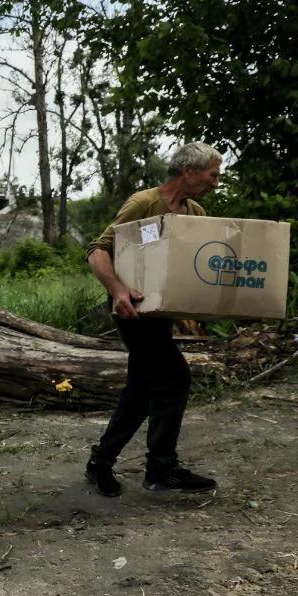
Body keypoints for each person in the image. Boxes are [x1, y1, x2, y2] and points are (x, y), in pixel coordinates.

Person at [83, 142, 223, 497]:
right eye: (212, 175)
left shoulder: (197, 212)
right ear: (188, 171)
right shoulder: (144, 203)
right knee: (174, 377)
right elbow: (98, 251)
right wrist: (117, 290)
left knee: (142, 388)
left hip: (162, 314)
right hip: (132, 310)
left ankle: (101, 462)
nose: (216, 183)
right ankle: (161, 468)